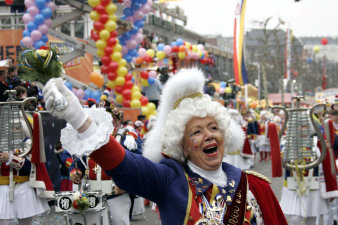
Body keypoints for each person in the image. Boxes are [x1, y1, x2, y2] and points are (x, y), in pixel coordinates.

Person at [43, 68, 287, 225]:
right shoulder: (169, 180)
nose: (209, 136)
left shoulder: (256, 187)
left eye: (214, 128)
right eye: (197, 132)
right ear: (182, 144)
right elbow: (124, 163)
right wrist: (77, 117)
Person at [69, 101, 143, 225]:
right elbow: (79, 160)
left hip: (116, 194)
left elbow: (138, 164)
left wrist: (127, 183)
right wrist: (75, 171)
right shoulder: (88, 138)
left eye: (109, 117)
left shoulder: (125, 138)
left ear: (116, 120)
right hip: (91, 195)